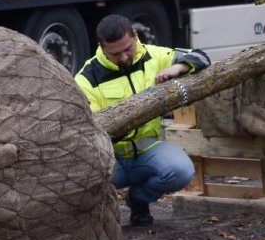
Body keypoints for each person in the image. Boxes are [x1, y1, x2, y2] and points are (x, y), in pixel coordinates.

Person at [74, 14, 210, 226]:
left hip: (148, 150)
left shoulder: (153, 55)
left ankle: (138, 200)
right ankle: (102, 221)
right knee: (81, 183)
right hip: (111, 159)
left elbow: (201, 57)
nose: (125, 57)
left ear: (135, 35)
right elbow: (88, 128)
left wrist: (178, 68)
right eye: (116, 54)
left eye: (128, 48)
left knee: (182, 171)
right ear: (102, 47)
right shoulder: (86, 78)